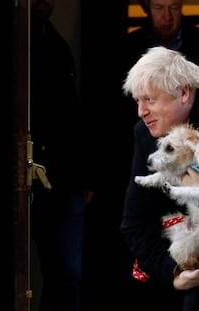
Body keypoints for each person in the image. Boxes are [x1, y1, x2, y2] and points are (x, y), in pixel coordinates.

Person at [120, 46, 199, 311]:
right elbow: (135, 223)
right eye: (137, 101)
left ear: (184, 93)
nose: (141, 112)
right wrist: (175, 274)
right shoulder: (145, 133)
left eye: (150, 100)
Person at [29, 0, 94, 310]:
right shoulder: (17, 43)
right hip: (27, 178)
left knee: (66, 273)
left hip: (63, 179)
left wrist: (84, 176)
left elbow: (72, 117)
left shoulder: (56, 43)